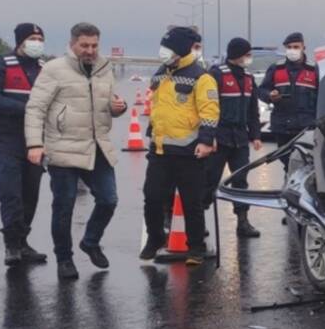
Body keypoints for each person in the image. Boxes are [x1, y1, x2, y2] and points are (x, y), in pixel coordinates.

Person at [24, 23, 126, 280]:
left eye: (94, 45)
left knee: (108, 199)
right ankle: (64, 258)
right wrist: (35, 144)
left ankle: (90, 241)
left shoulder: (104, 68)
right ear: (72, 45)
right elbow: (35, 108)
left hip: (97, 146)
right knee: (64, 207)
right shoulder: (54, 69)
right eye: (84, 45)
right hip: (63, 148)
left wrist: (119, 107)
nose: (90, 51)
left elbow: (107, 105)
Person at [139, 26, 219, 266]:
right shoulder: (161, 73)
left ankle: (196, 247)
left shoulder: (201, 77)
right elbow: (156, 103)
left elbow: (210, 112)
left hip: (189, 152)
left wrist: (205, 141)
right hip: (160, 150)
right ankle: (155, 238)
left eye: (168, 48)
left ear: (181, 49)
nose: (164, 52)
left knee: (191, 203)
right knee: (152, 198)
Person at [0, 23, 48, 266]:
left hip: (34, 140)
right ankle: (12, 244)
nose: (37, 42)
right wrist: (27, 109)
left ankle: (23, 240)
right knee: (10, 191)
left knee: (31, 192)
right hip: (2, 137)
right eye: (32, 38)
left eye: (40, 38)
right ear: (20, 41)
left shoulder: (45, 69)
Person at [205, 37, 264, 238]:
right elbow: (207, 108)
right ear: (238, 55)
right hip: (219, 137)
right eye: (247, 54)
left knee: (241, 180)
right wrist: (209, 136)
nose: (249, 58)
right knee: (209, 180)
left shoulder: (248, 78)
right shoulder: (216, 75)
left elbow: (253, 110)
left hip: (240, 138)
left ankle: (243, 221)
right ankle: (198, 221)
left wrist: (255, 135)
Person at [258, 31, 318, 149]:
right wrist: (270, 95)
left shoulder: (313, 70)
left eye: (296, 47)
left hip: (305, 126)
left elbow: (321, 97)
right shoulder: (276, 68)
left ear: (303, 48)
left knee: (303, 161)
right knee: (286, 162)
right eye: (289, 47)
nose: (292, 50)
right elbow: (261, 90)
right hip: (282, 126)